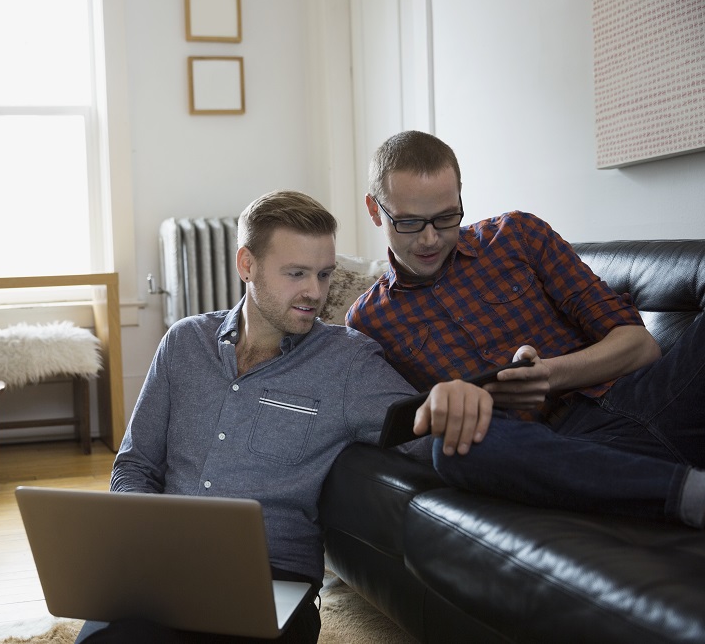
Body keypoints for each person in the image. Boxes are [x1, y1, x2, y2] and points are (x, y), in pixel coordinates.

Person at [75, 190, 482, 643]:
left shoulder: (348, 363)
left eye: (324, 274)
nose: (315, 291)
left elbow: (428, 433)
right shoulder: (184, 343)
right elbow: (135, 464)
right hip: (163, 569)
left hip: (272, 583)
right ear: (246, 264)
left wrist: (465, 405)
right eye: (296, 274)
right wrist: (145, 534)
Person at [346, 129, 705, 528]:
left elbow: (641, 347)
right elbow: (409, 429)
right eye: (410, 223)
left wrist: (551, 374)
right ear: (375, 210)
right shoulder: (367, 323)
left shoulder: (517, 235)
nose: (431, 239)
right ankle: (688, 493)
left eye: (446, 218)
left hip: (650, 395)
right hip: (559, 451)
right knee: (455, 449)